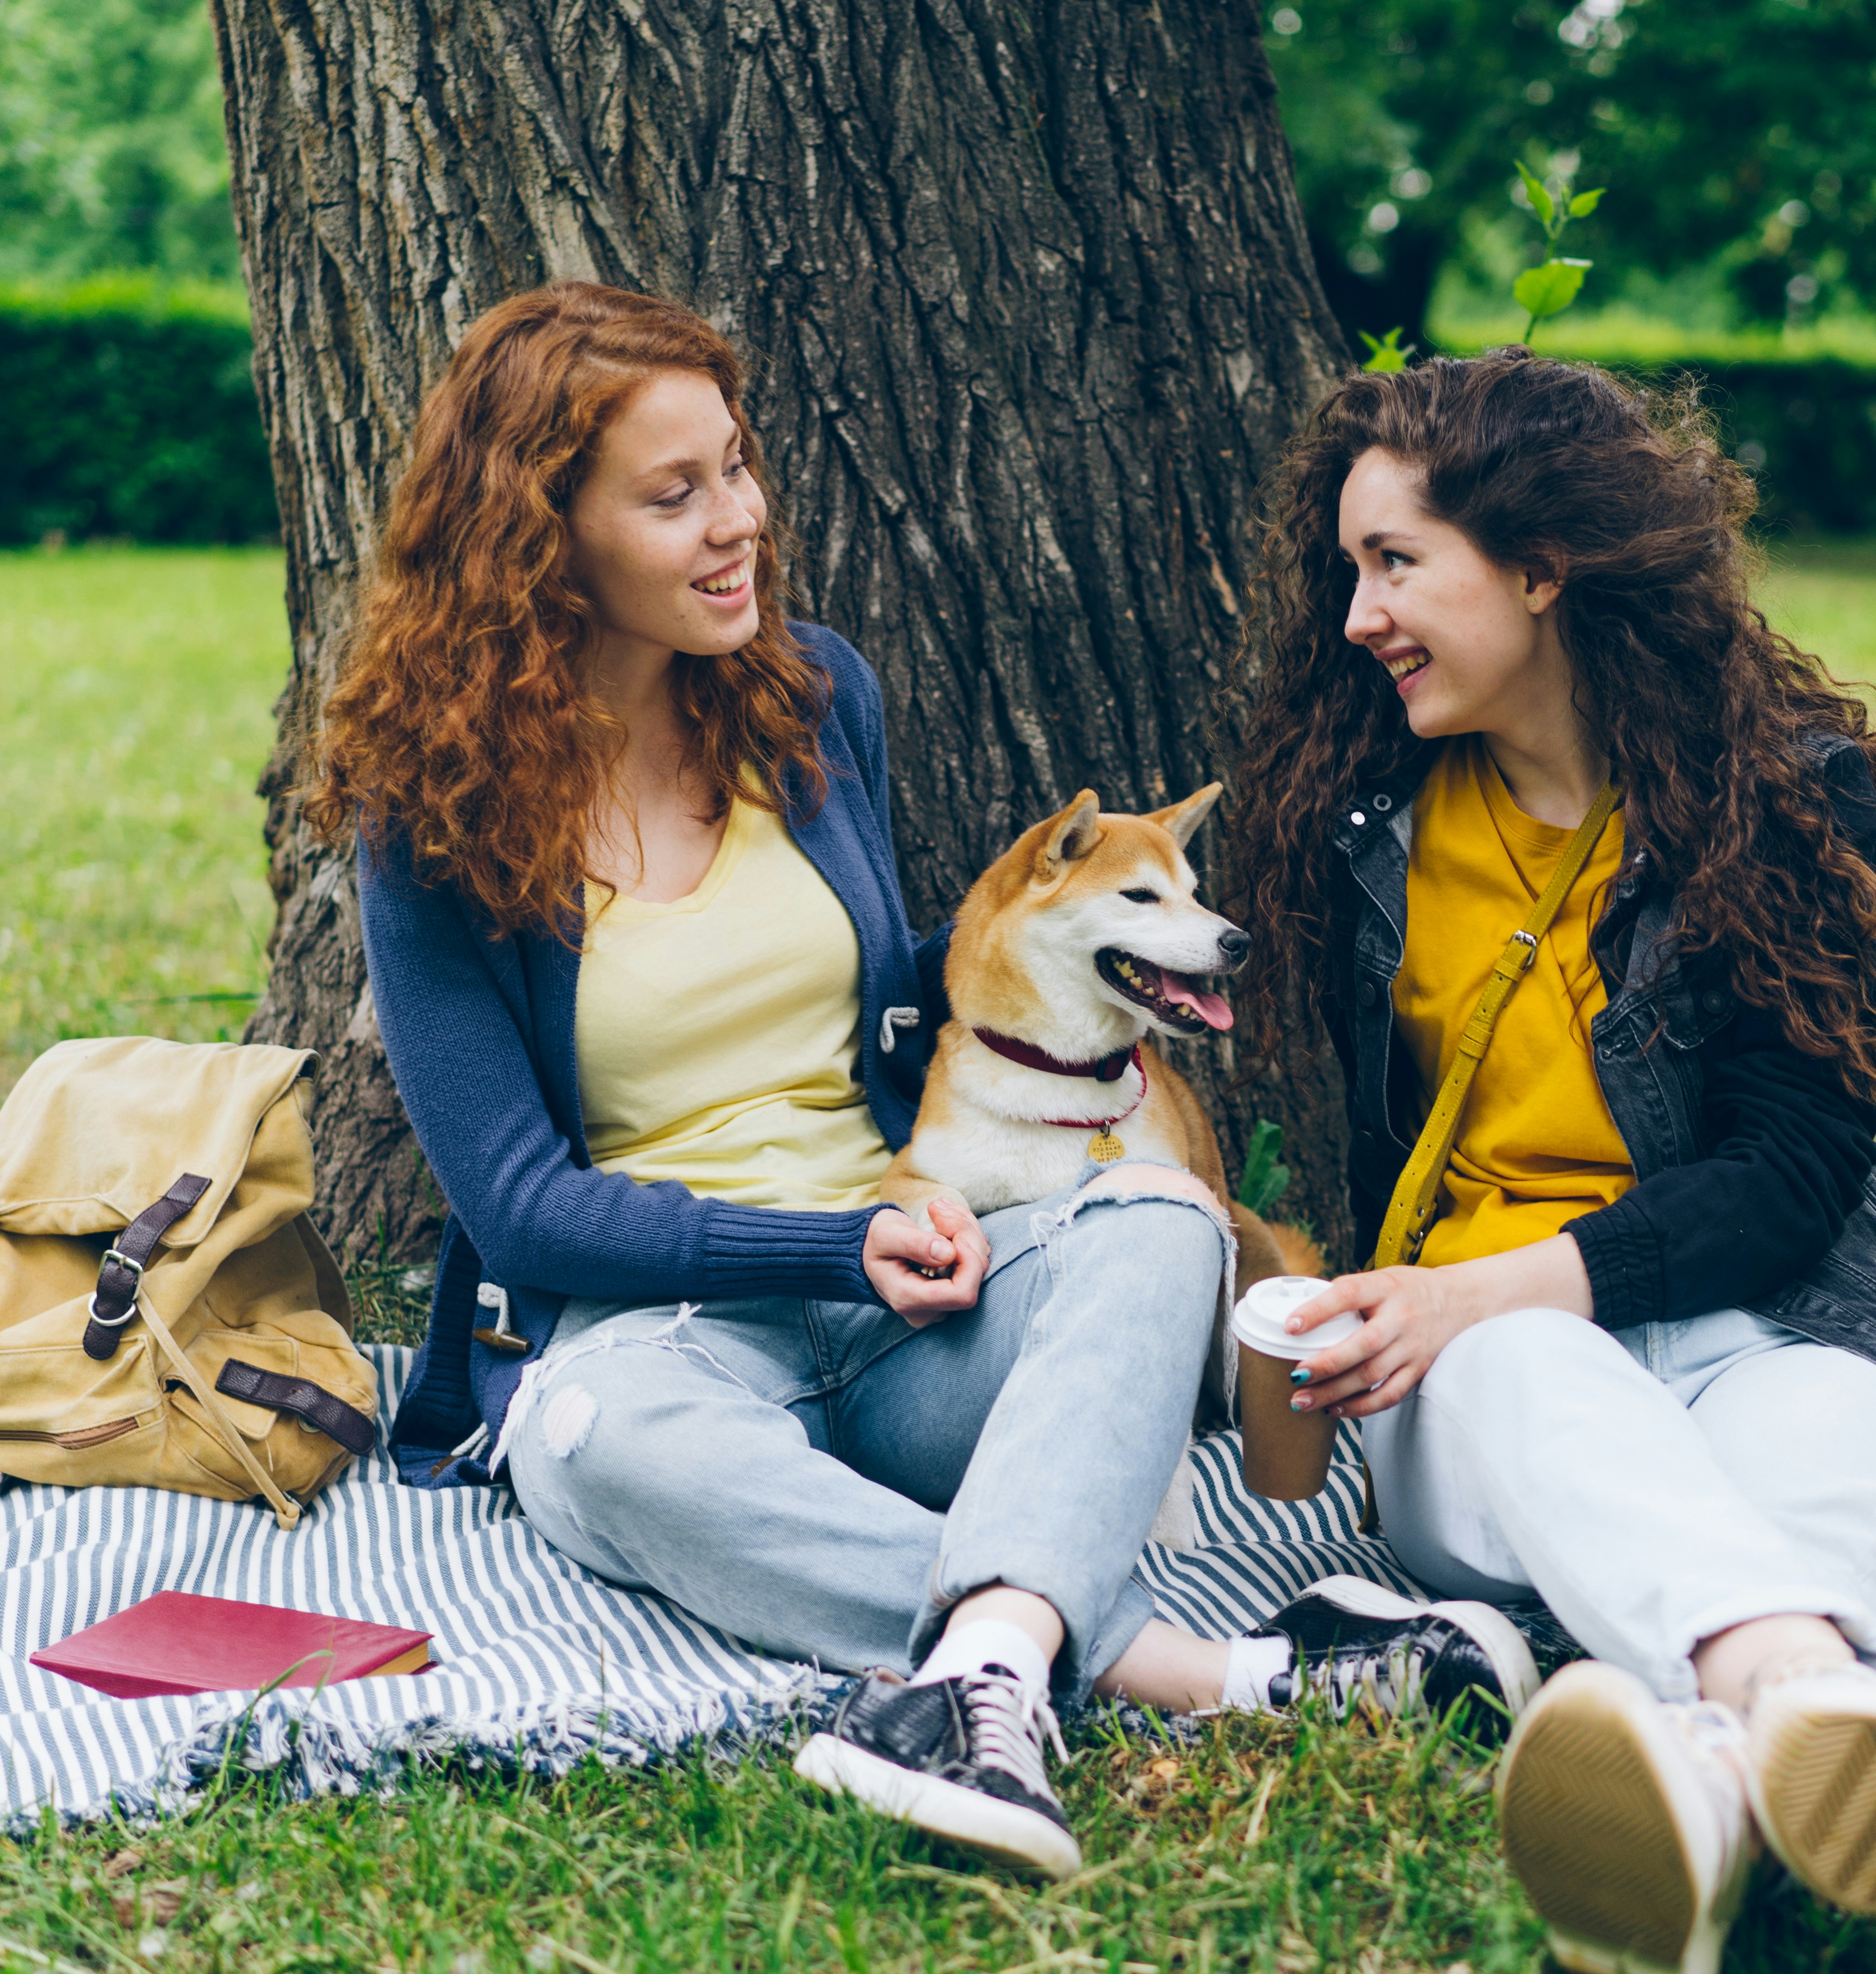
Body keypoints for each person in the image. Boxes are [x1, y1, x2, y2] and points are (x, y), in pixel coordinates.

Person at [313, 282, 1513, 1879]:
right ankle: (1187, 1670)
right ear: (541, 536)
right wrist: (823, 1248)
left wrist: (1092, 946)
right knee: (588, 1434)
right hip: (674, 1336)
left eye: (736, 467)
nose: (739, 521)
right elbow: (522, 1213)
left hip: (932, 1300)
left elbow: (898, 990)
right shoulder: (434, 817)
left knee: (1160, 1217)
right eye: (676, 496)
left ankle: (980, 1683)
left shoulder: (811, 697)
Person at [1223, 351, 1876, 1974]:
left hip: (1782, 1320)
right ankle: (1809, 1704)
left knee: (1855, 1437)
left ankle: (1707, 1798)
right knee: (1541, 1377)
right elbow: (1457, 1285)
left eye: (1395, 564)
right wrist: (1460, 1298)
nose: (1355, 618)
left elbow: (1785, 1186)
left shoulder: (1783, 801)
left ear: (1543, 566)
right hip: (1470, 1368)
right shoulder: (1363, 821)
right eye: (1349, 570)